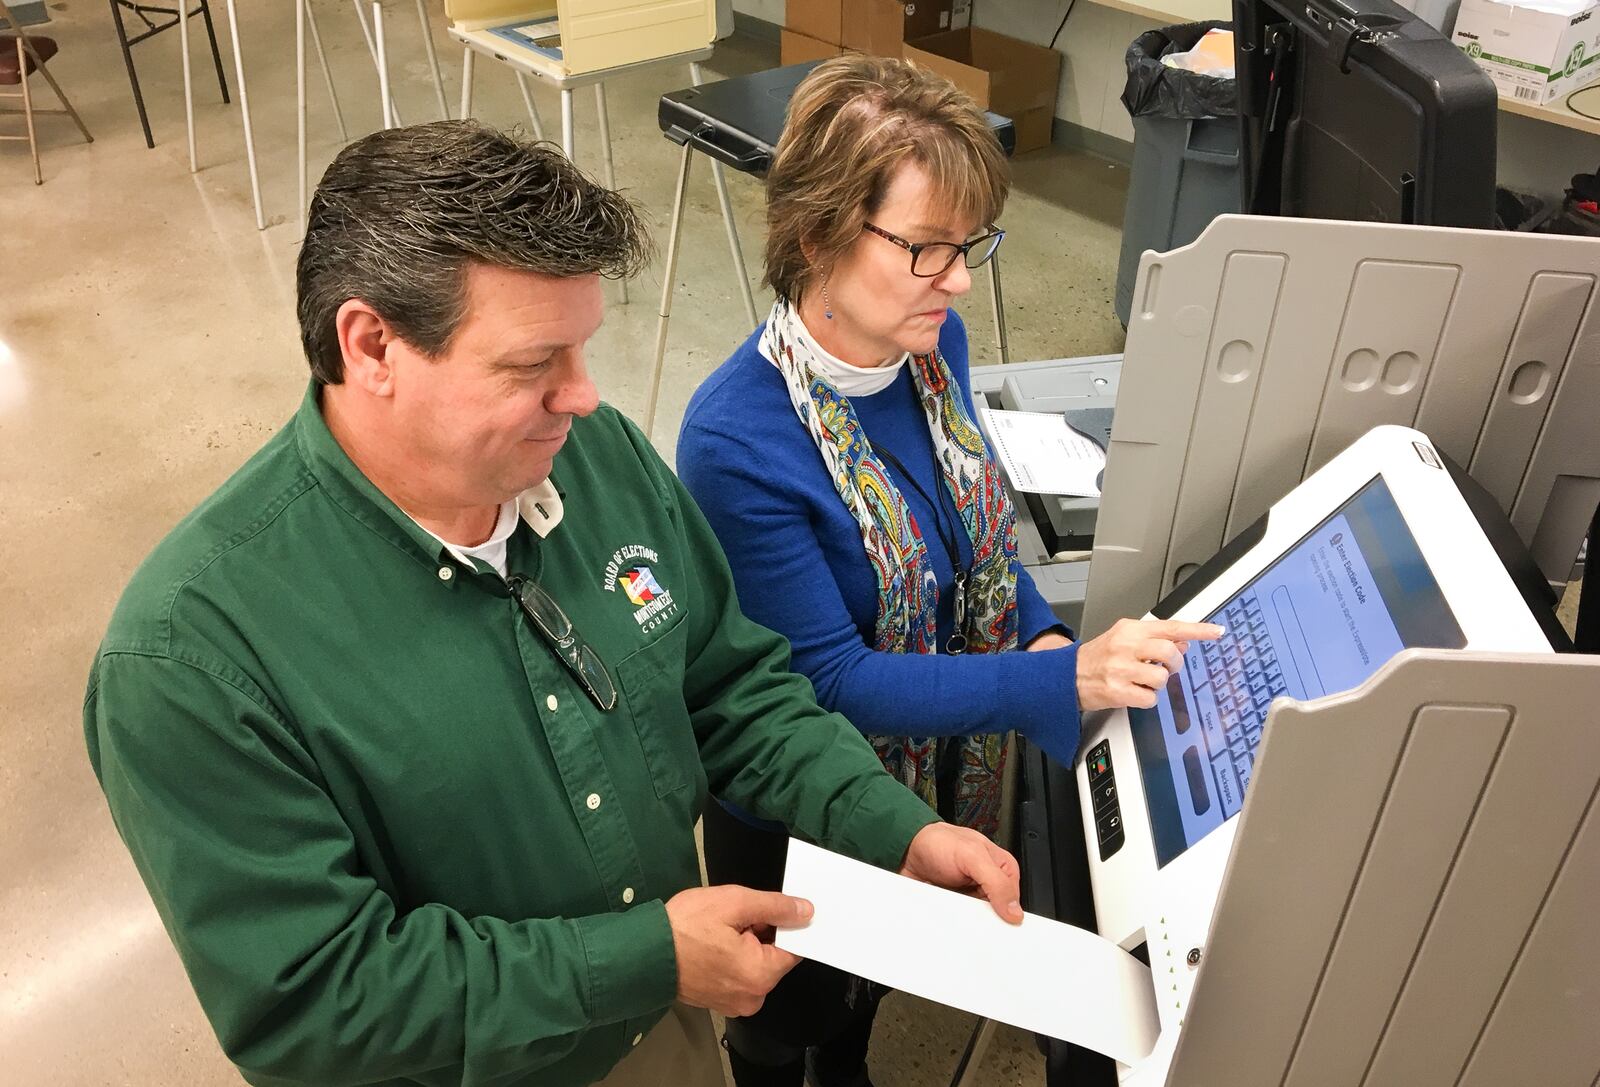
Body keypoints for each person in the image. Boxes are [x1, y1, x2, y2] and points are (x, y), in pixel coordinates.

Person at [83, 121, 1028, 1087]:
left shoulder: (602, 461)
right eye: (535, 365)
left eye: (584, 350)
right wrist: (641, 958)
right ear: (371, 344)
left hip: (663, 1028)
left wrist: (889, 822)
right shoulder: (189, 659)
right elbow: (314, 998)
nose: (583, 398)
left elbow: (733, 685)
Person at [676, 57, 1221, 1087]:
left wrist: (1045, 639)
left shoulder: (934, 343)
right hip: (801, 811)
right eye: (926, 248)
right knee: (801, 1029)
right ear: (814, 236)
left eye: (967, 246)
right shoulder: (734, 437)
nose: (960, 279)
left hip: (924, 771)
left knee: (869, 1000)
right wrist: (1051, 681)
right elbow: (825, 683)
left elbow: (975, 552)